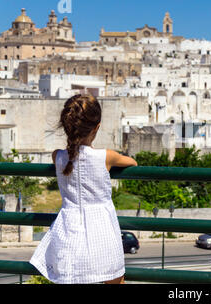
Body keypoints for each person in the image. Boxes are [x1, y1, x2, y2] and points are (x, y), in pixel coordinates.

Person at [30, 94, 137, 284]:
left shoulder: (58, 157)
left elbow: (70, 156)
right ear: (97, 127)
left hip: (68, 227)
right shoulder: (106, 156)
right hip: (102, 227)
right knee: (115, 278)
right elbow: (133, 163)